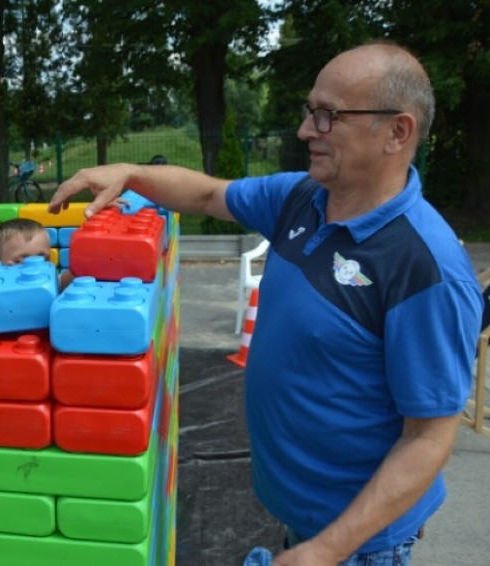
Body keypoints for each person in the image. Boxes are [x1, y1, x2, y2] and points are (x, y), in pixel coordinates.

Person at [48, 42, 484, 566]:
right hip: (302, 518)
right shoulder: (304, 197)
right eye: (310, 111)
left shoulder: (424, 268)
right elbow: (210, 194)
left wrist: (325, 550)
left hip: (357, 545)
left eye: (328, 116)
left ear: (398, 131)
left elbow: (429, 440)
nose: (306, 131)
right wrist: (131, 173)